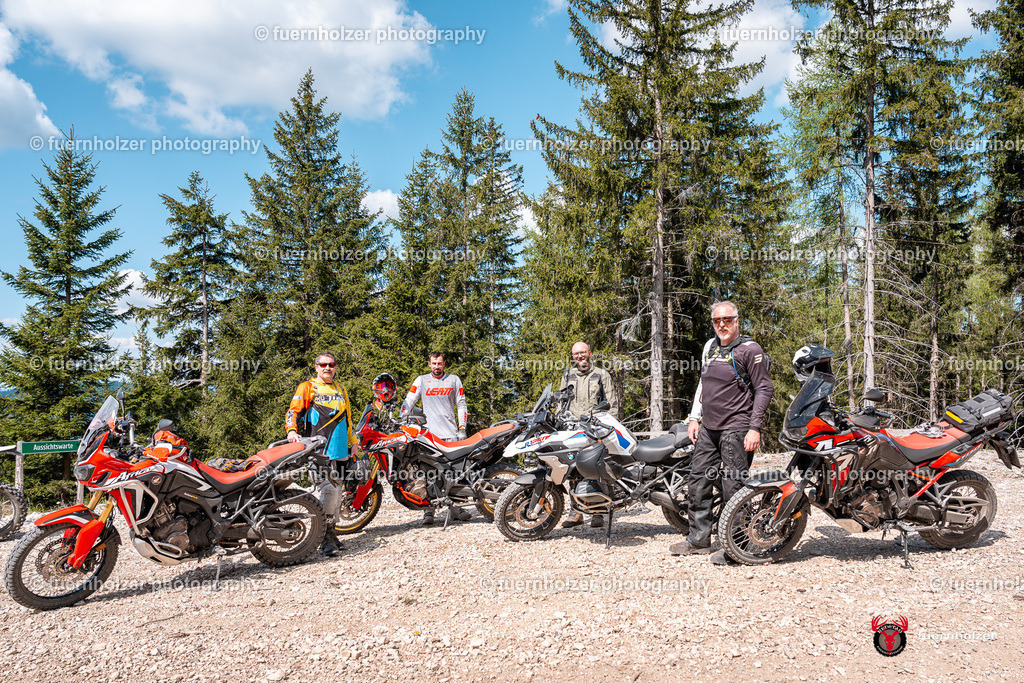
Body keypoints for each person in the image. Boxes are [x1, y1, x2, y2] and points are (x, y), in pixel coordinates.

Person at [669, 301, 773, 564]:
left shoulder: (750, 350)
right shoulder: (710, 346)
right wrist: (694, 417)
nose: (722, 325)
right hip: (708, 428)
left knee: (733, 486)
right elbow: (703, 385)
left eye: (727, 320)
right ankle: (699, 540)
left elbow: (764, 389)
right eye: (717, 321)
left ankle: (736, 547)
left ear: (737, 321)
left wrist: (754, 427)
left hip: (737, 428)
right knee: (698, 481)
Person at [285, 351, 357, 557]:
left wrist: (353, 443)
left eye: (332, 365)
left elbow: (348, 418)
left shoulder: (341, 389)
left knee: (337, 490)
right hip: (318, 449)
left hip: (341, 448)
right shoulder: (307, 387)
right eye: (323, 364)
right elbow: (293, 411)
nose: (328, 368)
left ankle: (331, 532)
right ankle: (324, 537)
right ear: (316, 367)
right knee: (328, 489)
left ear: (336, 367)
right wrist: (291, 430)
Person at [401, 351, 471, 525]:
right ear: (429, 364)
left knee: (453, 473)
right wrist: (402, 418)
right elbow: (409, 401)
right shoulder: (421, 380)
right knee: (426, 472)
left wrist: (462, 429)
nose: (437, 366)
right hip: (428, 435)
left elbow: (461, 404)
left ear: (444, 364)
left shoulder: (453, 380)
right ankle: (428, 511)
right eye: (434, 363)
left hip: (450, 434)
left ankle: (456, 508)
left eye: (439, 363)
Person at [559, 341, 619, 529]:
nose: (580, 356)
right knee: (573, 470)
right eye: (576, 354)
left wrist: (608, 429)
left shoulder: (602, 375)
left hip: (596, 429)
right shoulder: (568, 375)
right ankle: (576, 512)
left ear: (590, 353)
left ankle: (599, 512)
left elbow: (613, 403)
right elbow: (561, 402)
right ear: (573, 356)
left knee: (597, 469)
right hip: (573, 429)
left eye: (583, 352)